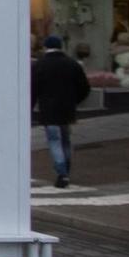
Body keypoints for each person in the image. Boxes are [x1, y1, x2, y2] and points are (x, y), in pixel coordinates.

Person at [31, 34, 90, 189]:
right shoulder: (72, 64)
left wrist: (30, 108)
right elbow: (85, 88)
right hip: (67, 109)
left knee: (54, 141)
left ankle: (62, 174)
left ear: (46, 47)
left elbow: (32, 90)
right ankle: (66, 170)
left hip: (49, 110)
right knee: (65, 141)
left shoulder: (39, 65)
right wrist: (74, 101)